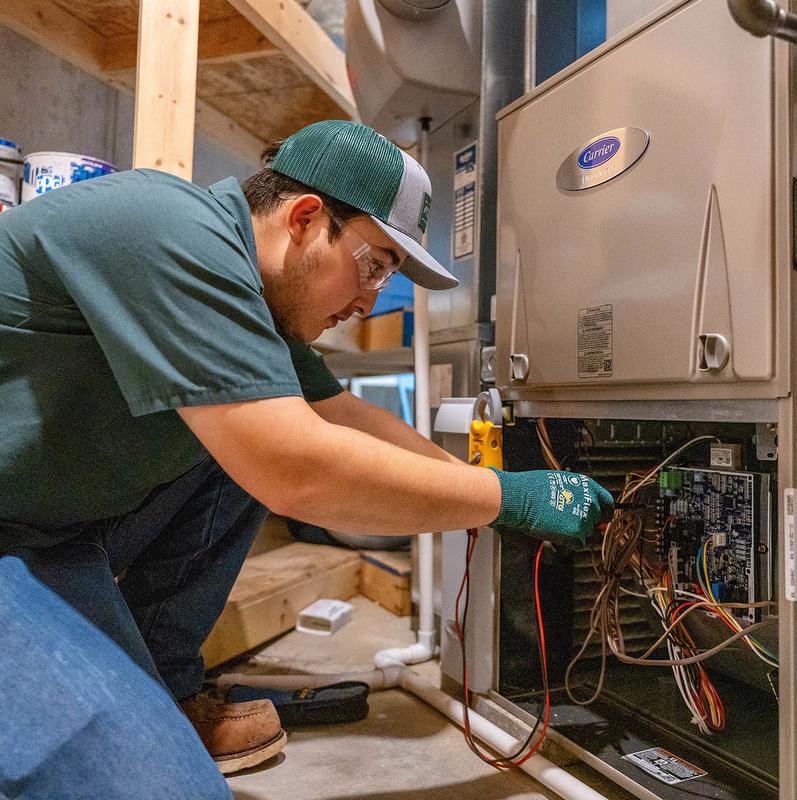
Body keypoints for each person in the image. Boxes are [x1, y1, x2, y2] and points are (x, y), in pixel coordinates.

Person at [0, 120, 613, 799]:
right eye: (374, 265)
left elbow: (349, 422)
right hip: (11, 532)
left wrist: (487, 484)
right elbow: (298, 470)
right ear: (304, 218)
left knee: (259, 421)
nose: (368, 300)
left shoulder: (247, 295)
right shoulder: (167, 227)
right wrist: (511, 502)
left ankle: (163, 692)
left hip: (55, 532)